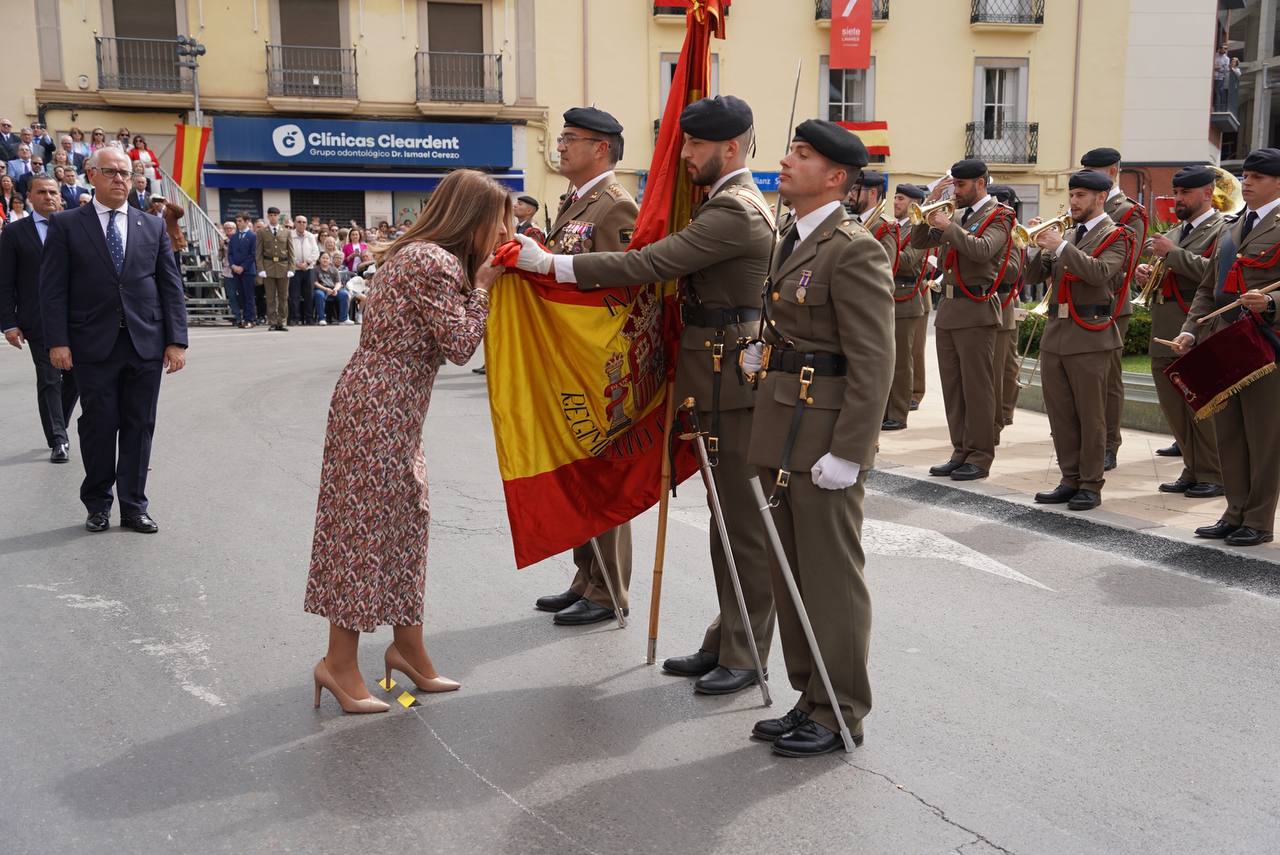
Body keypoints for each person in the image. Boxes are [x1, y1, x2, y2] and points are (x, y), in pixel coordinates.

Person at [514, 95, 777, 694]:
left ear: (730, 147)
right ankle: (726, 640)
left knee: (741, 525)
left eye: (694, 144)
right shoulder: (718, 201)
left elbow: (654, 261)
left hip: (732, 382)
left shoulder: (735, 209)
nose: (683, 155)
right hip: (712, 377)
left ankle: (746, 652)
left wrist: (551, 267)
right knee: (725, 522)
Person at [303, 169, 510, 713]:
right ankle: (338, 664)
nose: (503, 231)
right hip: (378, 408)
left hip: (389, 406)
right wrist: (484, 287)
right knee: (361, 531)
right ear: (470, 218)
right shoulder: (431, 261)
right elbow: (462, 345)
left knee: (405, 523)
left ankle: (408, 650)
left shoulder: (425, 257)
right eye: (498, 220)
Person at [741, 119, 893, 757]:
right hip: (782, 425)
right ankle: (810, 696)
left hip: (824, 436)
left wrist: (850, 452)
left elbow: (874, 361)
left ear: (835, 177)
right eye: (790, 151)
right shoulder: (792, 237)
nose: (785, 161)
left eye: (800, 155)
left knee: (830, 577)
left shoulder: (853, 248)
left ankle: (840, 710)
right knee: (791, 573)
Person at [527, 106, 640, 627]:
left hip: (599, 364)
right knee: (578, 474)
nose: (560, 146)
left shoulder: (615, 205)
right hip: (569, 360)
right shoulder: (576, 201)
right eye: (562, 137)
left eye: (570, 138)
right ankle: (586, 577)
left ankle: (609, 589)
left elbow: (623, 287)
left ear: (600, 149)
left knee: (602, 476)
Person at [39, 145, 189, 534]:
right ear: (91, 175)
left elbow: (170, 287)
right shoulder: (67, 225)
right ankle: (98, 503)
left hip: (145, 343)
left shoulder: (152, 225)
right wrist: (57, 341)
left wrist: (177, 341)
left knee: (140, 425)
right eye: (111, 172)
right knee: (99, 425)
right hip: (92, 344)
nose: (121, 179)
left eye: (126, 172)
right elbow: (52, 290)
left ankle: (134, 506)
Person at [1171, 147, 1280, 547]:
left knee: (1264, 436)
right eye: (1245, 176)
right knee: (1229, 433)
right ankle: (1234, 512)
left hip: (1264, 343)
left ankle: (1258, 519)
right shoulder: (1232, 227)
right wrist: (1190, 331)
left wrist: (1272, 302)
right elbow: (1208, 289)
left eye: (1257, 177)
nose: (1246, 183)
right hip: (1224, 338)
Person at [1023, 170, 1131, 511]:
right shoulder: (1067, 234)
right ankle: (1069, 478)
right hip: (1057, 332)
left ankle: (1090, 483)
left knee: (1090, 414)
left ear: (1101, 198)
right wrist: (1033, 245)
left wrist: (1060, 246)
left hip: (1091, 333)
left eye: (1081, 195)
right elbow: (1031, 276)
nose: (1073, 201)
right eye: (1071, 195)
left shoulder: (1117, 235)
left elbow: (1098, 273)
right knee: (1061, 414)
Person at [910, 158, 1013, 482]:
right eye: (954, 184)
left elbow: (982, 250)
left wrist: (948, 226)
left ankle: (980, 456)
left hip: (977, 309)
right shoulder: (956, 214)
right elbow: (918, 241)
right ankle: (960, 451)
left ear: (980, 183)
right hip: (950, 309)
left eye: (961, 185)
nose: (956, 191)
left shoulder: (1000, 215)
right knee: (954, 388)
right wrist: (928, 206)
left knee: (977, 388)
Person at [1136, 165, 1224, 499]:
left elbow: (1215, 274)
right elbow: (1167, 274)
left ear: (1207, 193)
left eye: (1185, 192)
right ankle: (1193, 467)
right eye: (1176, 192)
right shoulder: (1174, 232)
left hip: (1197, 328)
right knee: (1174, 409)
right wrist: (1146, 275)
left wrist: (1173, 255)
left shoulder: (1222, 230)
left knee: (1201, 407)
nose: (1178, 199)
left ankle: (1214, 472)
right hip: (1164, 327)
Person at [0, 175, 79, 462]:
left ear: (61, 197)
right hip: (38, 319)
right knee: (49, 377)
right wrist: (9, 323)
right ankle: (58, 438)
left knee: (75, 378)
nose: (48, 197)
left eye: (53, 192)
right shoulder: (14, 233)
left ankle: (59, 423)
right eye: (42, 192)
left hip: (77, 317)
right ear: (29, 197)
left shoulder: (75, 227)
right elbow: (4, 281)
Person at [1080, 147, 1148, 471]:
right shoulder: (1081, 206)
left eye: (1094, 173)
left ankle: (1108, 444)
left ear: (1112, 172)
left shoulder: (1128, 212)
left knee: (1107, 378)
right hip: (1077, 302)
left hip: (1110, 302)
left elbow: (1126, 265)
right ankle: (1084, 439)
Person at [883, 183, 929, 430]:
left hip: (906, 297)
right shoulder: (893, 227)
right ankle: (884, 410)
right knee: (885, 359)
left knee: (901, 362)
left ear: (914, 204)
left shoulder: (919, 229)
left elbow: (909, 260)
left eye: (901, 198)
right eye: (896, 198)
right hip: (888, 295)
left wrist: (880, 248)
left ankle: (898, 414)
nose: (895, 202)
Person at [986, 184, 1026, 441]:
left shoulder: (1014, 230)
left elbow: (1014, 270)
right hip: (987, 296)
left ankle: (1004, 411)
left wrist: (984, 255)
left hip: (1005, 296)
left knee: (1005, 361)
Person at [256, 206, 294, 331]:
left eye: (275, 215)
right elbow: (258, 252)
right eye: (271, 215)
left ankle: (282, 321)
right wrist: (261, 268)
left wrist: (291, 268)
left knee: (283, 297)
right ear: (268, 216)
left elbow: (291, 252)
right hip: (268, 266)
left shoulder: (286, 232)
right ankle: (272, 321)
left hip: (283, 266)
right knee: (270, 297)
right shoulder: (262, 232)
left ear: (278, 216)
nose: (273, 217)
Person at [227, 213, 257, 328]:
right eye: (237, 221)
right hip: (236, 271)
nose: (238, 223)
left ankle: (250, 319)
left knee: (249, 296)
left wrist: (243, 267)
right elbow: (230, 254)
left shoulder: (253, 236)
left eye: (240, 221)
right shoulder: (234, 237)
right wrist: (233, 265)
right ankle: (245, 318)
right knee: (241, 296)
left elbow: (253, 254)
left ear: (247, 221)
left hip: (248, 271)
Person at [290, 215, 320, 324]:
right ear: (295, 223)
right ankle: (295, 318)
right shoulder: (290, 235)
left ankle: (309, 318)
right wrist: (297, 264)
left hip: (309, 268)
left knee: (309, 295)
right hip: (295, 269)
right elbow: (288, 252)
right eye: (299, 222)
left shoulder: (310, 236)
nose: (302, 224)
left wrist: (307, 263)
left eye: (304, 222)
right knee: (294, 295)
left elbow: (315, 252)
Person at [312, 252, 352, 324]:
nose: (325, 260)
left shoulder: (334, 269)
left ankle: (343, 319)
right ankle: (321, 319)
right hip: (321, 289)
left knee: (344, 294)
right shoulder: (315, 269)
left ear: (330, 260)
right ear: (319, 259)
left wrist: (335, 289)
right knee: (319, 294)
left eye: (327, 258)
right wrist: (325, 289)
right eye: (323, 258)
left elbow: (338, 282)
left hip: (333, 289)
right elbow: (315, 283)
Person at [218, 221, 242, 326]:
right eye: (226, 228)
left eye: (230, 228)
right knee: (231, 295)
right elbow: (220, 258)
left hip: (239, 270)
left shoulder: (239, 240)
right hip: (228, 271)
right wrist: (221, 248)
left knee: (242, 295)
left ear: (235, 229)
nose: (228, 230)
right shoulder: (224, 242)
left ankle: (244, 315)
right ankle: (237, 316)